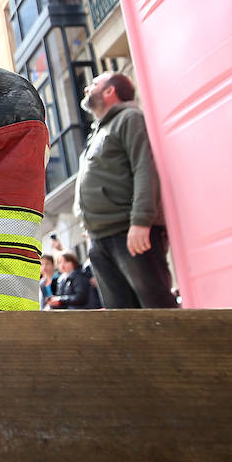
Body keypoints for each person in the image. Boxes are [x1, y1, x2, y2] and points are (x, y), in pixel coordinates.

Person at [75, 72, 178, 309]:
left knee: (157, 308)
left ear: (110, 91)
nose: (87, 89)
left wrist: (141, 222)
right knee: (121, 317)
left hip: (129, 234)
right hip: (100, 238)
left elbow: (144, 167)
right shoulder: (98, 131)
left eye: (93, 84)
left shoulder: (130, 118)